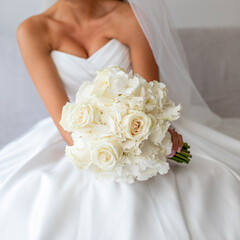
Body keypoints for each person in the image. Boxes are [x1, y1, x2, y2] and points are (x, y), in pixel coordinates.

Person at [0, 0, 239, 239]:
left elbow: (151, 96)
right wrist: (110, 151)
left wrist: (147, 140)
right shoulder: (33, 30)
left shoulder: (129, 16)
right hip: (76, 135)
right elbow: (63, 118)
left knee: (211, 180)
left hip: (141, 124)